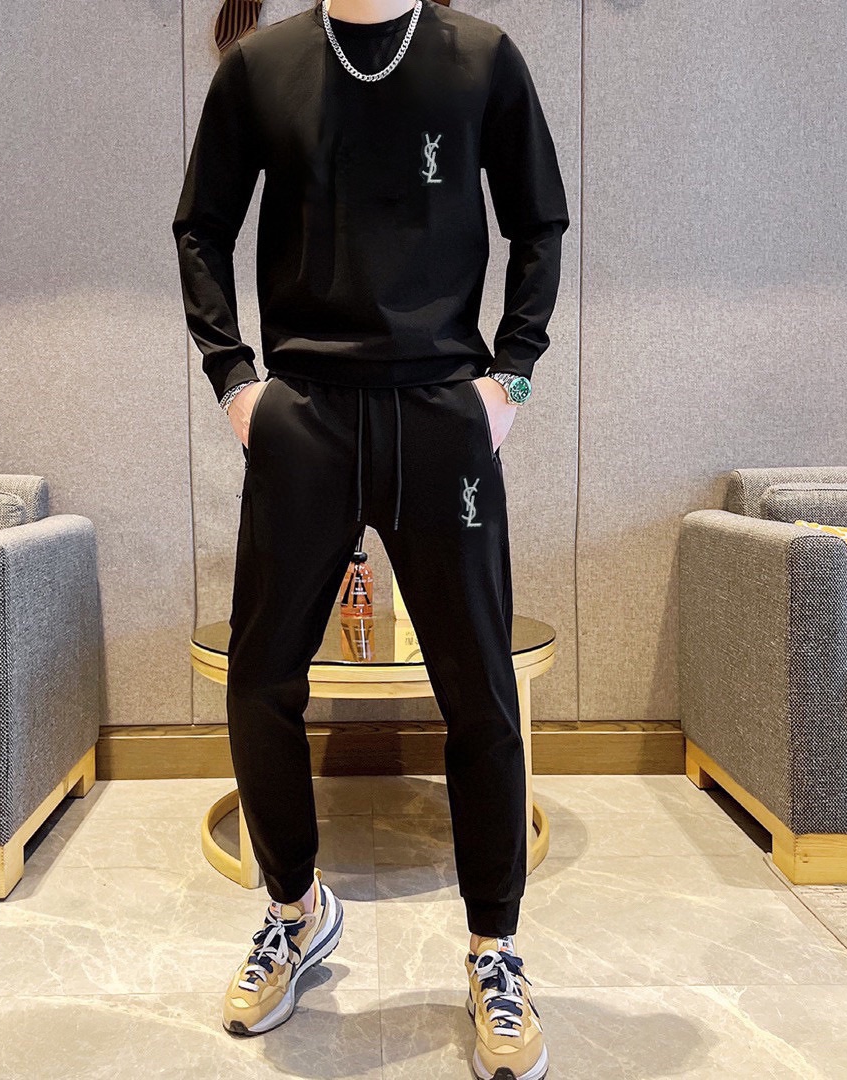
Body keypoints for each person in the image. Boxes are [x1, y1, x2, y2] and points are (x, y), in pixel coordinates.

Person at [173, 0, 568, 1076]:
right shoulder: (262, 67)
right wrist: (235, 382)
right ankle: (294, 913)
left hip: (444, 412)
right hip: (305, 414)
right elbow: (201, 227)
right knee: (260, 678)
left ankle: (494, 949)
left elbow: (539, 222)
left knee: (481, 689)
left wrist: (513, 378)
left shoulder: (482, 59)